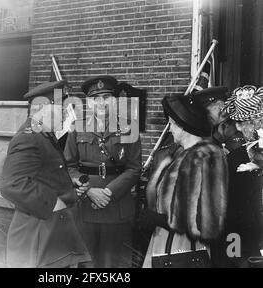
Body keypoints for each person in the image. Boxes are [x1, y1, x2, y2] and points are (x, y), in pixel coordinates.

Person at [0, 80, 91, 268]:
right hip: (36, 233)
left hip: (48, 231)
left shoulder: (44, 135)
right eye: (61, 108)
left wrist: (68, 183)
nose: (66, 113)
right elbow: (11, 184)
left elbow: (42, 174)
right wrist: (53, 201)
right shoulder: (29, 137)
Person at [64, 75, 142, 268]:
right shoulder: (77, 127)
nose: (101, 103)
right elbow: (68, 166)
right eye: (95, 99)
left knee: (115, 264)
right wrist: (89, 191)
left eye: (106, 97)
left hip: (117, 207)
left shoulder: (129, 127)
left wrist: (109, 193)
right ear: (88, 102)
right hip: (85, 206)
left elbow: (134, 168)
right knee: (86, 262)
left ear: (114, 100)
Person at [143, 94, 228, 268]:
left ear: (183, 126)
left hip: (185, 251)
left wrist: (160, 220)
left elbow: (209, 221)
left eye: (172, 124)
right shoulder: (179, 154)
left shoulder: (208, 155)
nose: (170, 129)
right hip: (164, 246)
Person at [218, 85, 263, 267]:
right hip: (242, 238)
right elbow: (229, 206)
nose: (238, 126)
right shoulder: (234, 158)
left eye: (253, 121)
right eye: (241, 122)